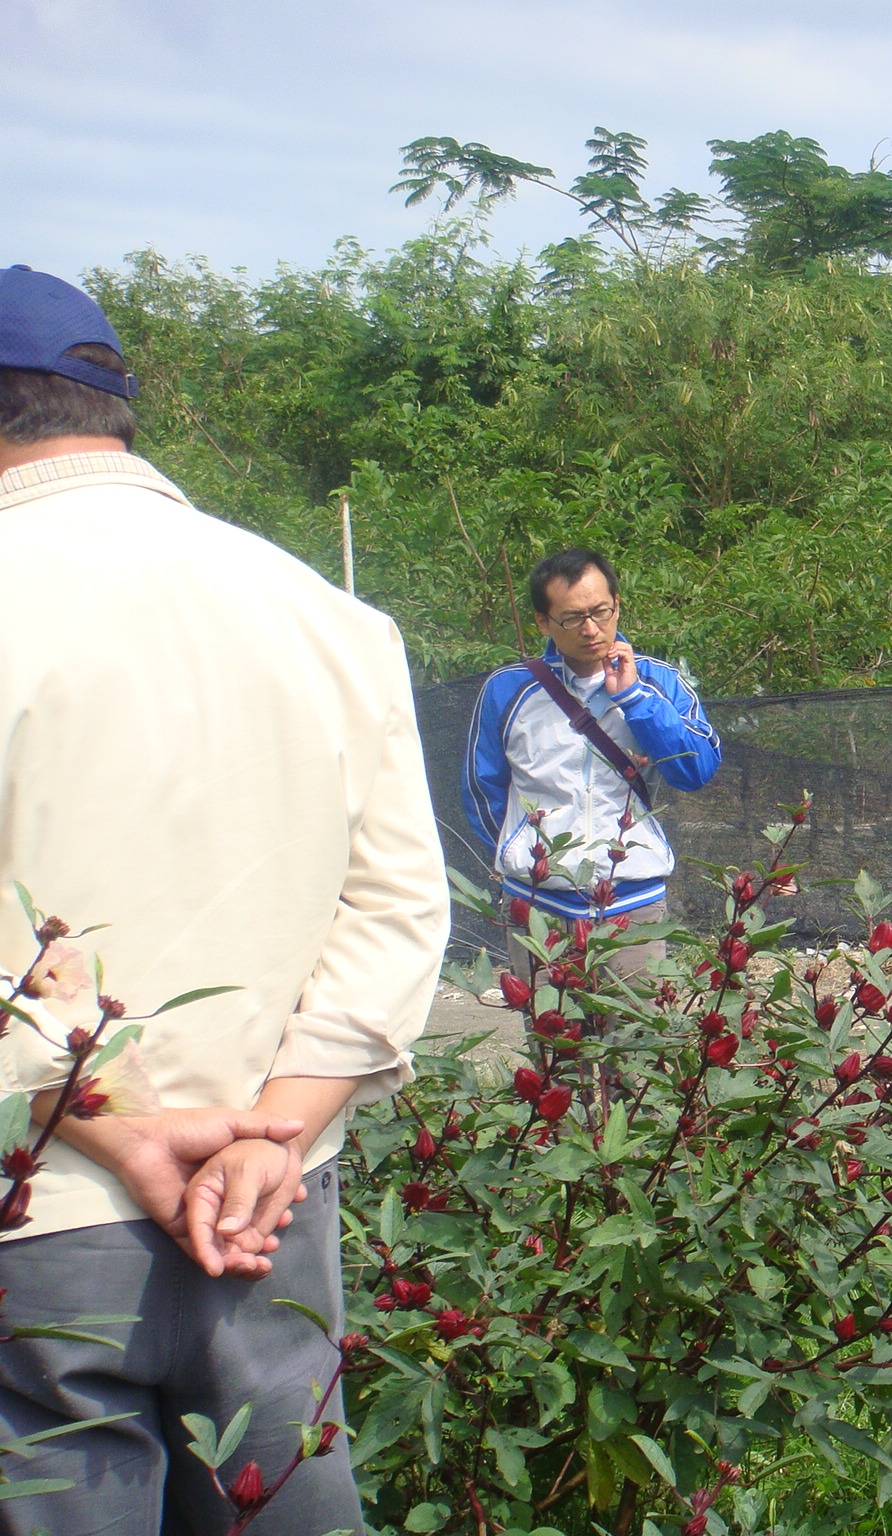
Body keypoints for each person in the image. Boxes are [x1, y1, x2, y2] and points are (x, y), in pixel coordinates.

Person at [0, 265, 450, 1531]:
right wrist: (270, 1131)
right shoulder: (322, 610)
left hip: (36, 1206)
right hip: (271, 1216)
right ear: (117, 410)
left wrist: (125, 1129)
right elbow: (402, 909)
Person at [463, 549, 722, 979]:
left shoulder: (658, 682)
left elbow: (695, 771)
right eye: (571, 618)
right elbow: (482, 788)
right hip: (537, 907)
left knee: (636, 1041)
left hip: (631, 903)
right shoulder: (507, 690)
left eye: (601, 612)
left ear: (618, 605)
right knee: (555, 1045)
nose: (590, 629)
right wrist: (519, 854)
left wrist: (633, 699)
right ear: (543, 623)